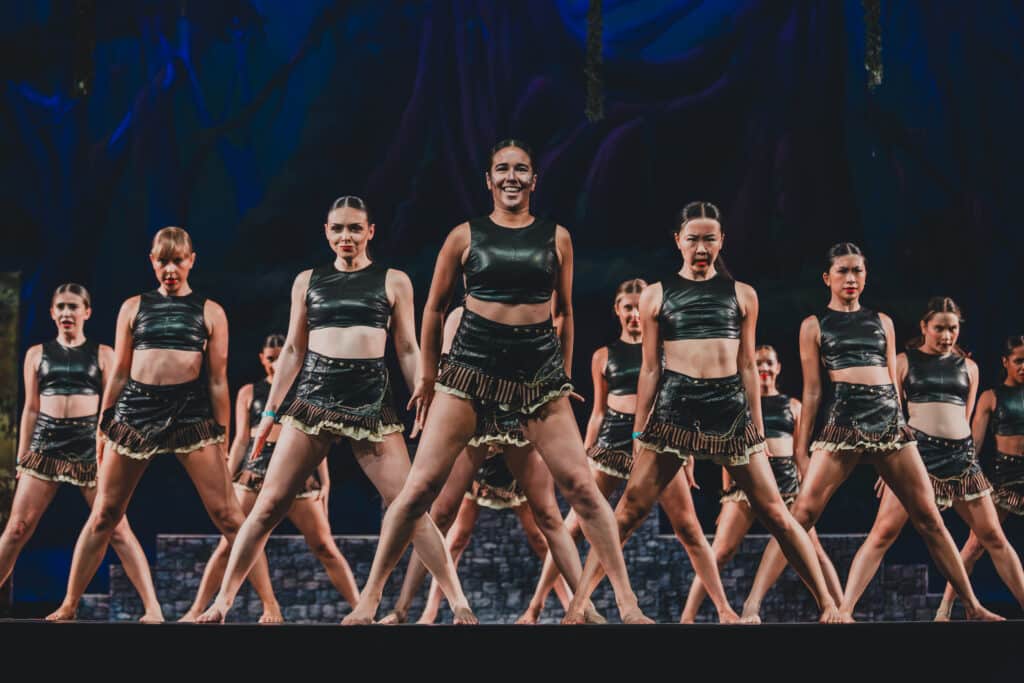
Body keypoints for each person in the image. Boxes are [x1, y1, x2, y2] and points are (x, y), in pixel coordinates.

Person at [342, 139, 650, 625]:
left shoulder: (557, 237)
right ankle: (373, 599)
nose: (512, 177)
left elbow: (565, 313)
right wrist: (428, 376)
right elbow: (434, 308)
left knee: (582, 489)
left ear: (533, 179)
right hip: (471, 369)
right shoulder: (464, 236)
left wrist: (564, 374)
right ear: (488, 180)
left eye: (521, 169)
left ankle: (627, 604)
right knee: (419, 490)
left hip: (536, 375)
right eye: (502, 169)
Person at [197, 196, 472, 623]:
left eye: (355, 228)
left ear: (370, 232)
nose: (347, 236)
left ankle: (458, 602)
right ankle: (222, 603)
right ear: (326, 233)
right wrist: (269, 416)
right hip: (313, 398)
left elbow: (406, 347)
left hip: (369, 402)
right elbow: (292, 350)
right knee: (267, 506)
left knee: (410, 505)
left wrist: (426, 391)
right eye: (338, 228)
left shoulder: (393, 281)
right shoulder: (307, 281)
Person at [563, 202, 841, 624]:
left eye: (709, 239)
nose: (700, 247)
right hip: (674, 413)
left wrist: (757, 430)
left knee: (777, 514)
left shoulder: (742, 294)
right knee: (629, 511)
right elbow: (651, 368)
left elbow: (747, 367)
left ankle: (828, 605)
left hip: (729, 413)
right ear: (678, 241)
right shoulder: (656, 294)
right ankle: (579, 604)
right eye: (692, 239)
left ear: (721, 241)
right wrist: (638, 433)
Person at [738, 244, 1000, 623]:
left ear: (865, 276)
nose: (851, 278)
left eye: (857, 271)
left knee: (929, 517)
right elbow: (812, 391)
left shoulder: (882, 321)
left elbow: (893, 385)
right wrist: (801, 448)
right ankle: (754, 604)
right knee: (801, 515)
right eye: (842, 271)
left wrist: (903, 434)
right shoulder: (814, 325)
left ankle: (971, 606)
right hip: (844, 421)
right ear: (827, 278)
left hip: (888, 423)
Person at [47, 228, 276, 621]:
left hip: (189, 412)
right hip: (136, 411)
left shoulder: (210, 311)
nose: (170, 269)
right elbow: (119, 373)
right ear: (152, 261)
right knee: (104, 514)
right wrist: (104, 424)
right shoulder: (133, 307)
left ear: (191, 261)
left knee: (229, 516)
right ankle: (69, 604)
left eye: (178, 261)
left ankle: (271, 604)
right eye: (163, 261)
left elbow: (217, 380)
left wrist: (221, 436)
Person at [518, 279, 740, 624]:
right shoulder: (603, 356)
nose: (635, 314)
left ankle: (724, 608)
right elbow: (598, 412)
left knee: (689, 528)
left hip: (656, 439)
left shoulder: (664, 351)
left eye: (639, 307)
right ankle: (537, 606)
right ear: (617, 310)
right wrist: (585, 452)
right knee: (573, 525)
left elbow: (678, 403)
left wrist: (687, 457)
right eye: (628, 307)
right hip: (611, 443)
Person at [0, 284, 162, 622]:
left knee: (116, 527)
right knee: (17, 528)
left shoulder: (103, 354)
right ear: (51, 312)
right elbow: (31, 408)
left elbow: (116, 404)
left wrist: (111, 448)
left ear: (86, 312)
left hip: (89, 445)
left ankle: (152, 607)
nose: (66, 313)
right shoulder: (36, 354)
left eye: (73, 306)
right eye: (60, 306)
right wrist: (22, 456)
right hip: (45, 445)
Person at [179, 334, 360, 621]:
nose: (275, 364)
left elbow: (317, 438)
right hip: (254, 471)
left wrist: (325, 482)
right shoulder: (249, 392)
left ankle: (361, 608)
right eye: (271, 358)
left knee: (325, 546)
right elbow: (241, 439)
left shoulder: (304, 389)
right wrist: (226, 478)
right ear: (262, 359)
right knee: (231, 543)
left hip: (296, 472)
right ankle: (198, 609)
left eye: (280, 357)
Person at [679, 344, 843, 622]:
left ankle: (842, 609)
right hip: (746, 485)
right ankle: (687, 617)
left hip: (787, 486)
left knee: (813, 550)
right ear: (751, 369)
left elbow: (800, 453)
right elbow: (730, 451)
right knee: (720, 551)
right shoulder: (743, 403)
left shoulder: (793, 406)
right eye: (758, 364)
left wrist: (808, 489)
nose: (764, 368)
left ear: (778, 368)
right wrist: (726, 494)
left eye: (769, 363)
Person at [934, 334, 1024, 619]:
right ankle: (945, 607)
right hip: (1005, 479)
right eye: (1019, 361)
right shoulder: (991, 397)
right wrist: (963, 478)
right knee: (976, 544)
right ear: (1005, 362)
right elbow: (972, 445)